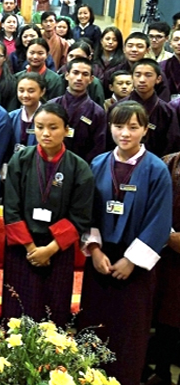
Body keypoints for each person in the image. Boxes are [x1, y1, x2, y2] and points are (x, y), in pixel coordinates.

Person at [79, 102, 172, 385]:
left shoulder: (157, 170)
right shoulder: (97, 164)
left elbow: (159, 220)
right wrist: (94, 250)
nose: (125, 133)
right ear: (110, 128)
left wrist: (132, 260)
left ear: (145, 130)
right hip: (100, 260)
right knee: (93, 327)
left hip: (136, 266)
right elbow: (86, 212)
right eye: (119, 126)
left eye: (133, 127)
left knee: (129, 332)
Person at [2, 103, 94, 327]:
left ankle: (50, 361)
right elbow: (11, 209)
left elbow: (80, 216)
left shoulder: (79, 168)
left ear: (66, 130)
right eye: (39, 126)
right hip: (22, 248)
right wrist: (31, 249)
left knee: (52, 310)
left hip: (57, 251)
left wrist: (49, 249)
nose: (45, 133)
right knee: (18, 309)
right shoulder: (20, 160)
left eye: (53, 127)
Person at [150, 151, 180, 385]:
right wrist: (169, 235)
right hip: (165, 253)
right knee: (165, 316)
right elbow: (152, 204)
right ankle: (160, 373)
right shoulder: (167, 163)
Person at [49, 57, 106, 163]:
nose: (79, 78)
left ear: (91, 79)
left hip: (83, 166)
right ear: (67, 75)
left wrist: (83, 168)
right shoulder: (51, 105)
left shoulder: (97, 112)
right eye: (75, 73)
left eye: (85, 74)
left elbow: (98, 147)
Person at [9, 72, 45, 154]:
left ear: (42, 92)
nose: (25, 95)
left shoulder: (49, 118)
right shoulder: (11, 117)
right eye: (21, 91)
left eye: (31, 91)